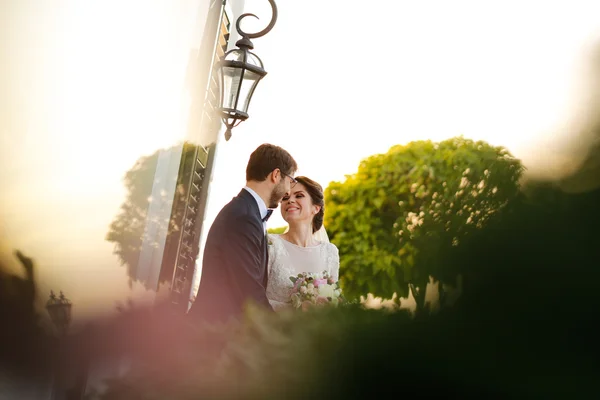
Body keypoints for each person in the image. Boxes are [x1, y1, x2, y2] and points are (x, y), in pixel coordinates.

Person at [188, 144, 298, 323]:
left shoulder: (245, 211)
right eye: (290, 181)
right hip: (214, 334)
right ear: (276, 175)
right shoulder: (244, 217)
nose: (288, 190)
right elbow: (249, 290)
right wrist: (280, 333)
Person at [266, 176, 340, 310]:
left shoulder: (330, 252)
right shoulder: (270, 244)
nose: (290, 200)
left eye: (299, 196)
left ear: (316, 208)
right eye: (285, 197)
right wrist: (297, 310)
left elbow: (332, 300)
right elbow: (254, 297)